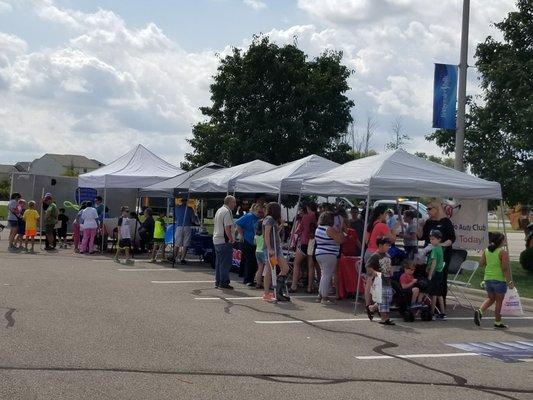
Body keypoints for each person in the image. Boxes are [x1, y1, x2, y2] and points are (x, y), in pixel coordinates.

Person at [419, 200, 456, 304]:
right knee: (428, 275)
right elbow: (421, 237)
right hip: (430, 254)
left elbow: (451, 239)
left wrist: (440, 245)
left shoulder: (446, 222)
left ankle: (440, 302)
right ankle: (428, 300)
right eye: (427, 209)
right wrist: (420, 226)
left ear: (437, 209)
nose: (428, 211)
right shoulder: (429, 222)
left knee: (440, 277)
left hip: (442, 254)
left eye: (429, 209)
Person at [474, 232, 514, 329]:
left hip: (487, 279)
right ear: (500, 241)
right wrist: (509, 282)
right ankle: (498, 322)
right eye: (504, 239)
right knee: (499, 301)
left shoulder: (487, 250)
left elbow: (481, 263)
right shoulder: (503, 253)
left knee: (491, 298)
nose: (505, 241)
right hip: (499, 280)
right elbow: (505, 269)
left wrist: (490, 261)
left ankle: (480, 311)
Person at [364, 205, 397, 308]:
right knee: (381, 280)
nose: (387, 216)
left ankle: (367, 304)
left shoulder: (370, 225)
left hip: (368, 252)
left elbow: (365, 241)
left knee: (370, 279)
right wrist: (395, 228)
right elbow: (392, 239)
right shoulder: (382, 225)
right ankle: (377, 305)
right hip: (378, 254)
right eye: (386, 213)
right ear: (381, 214)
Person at [314, 211, 345, 305]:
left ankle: (320, 295)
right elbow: (340, 240)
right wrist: (341, 232)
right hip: (329, 254)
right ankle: (324, 297)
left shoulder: (319, 228)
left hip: (320, 253)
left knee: (324, 274)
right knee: (327, 275)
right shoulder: (329, 229)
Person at [262, 202, 290, 302]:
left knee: (285, 268)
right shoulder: (269, 219)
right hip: (271, 250)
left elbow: (275, 232)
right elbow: (266, 234)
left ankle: (277, 289)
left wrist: (281, 225)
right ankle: (266, 293)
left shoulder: (272, 220)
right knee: (270, 269)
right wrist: (269, 248)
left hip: (276, 249)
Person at [366, 236, 395, 325]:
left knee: (387, 298)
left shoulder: (388, 256)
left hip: (387, 280)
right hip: (379, 281)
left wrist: (391, 271)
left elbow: (390, 266)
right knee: (382, 299)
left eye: (389, 245)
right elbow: (368, 267)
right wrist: (374, 272)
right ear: (380, 245)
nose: (388, 247)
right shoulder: (375, 255)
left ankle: (371, 308)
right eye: (386, 245)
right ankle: (384, 318)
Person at [290, 202, 318, 293]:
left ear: (307, 207)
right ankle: (310, 287)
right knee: (311, 266)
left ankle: (294, 286)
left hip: (304, 242)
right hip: (314, 242)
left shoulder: (306, 216)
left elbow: (298, 230)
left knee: (296, 263)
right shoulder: (318, 216)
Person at [235, 203, 264, 286]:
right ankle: (248, 279)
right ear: (254, 210)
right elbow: (238, 224)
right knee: (250, 260)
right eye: (259, 212)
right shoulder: (249, 216)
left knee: (254, 261)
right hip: (248, 241)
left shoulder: (260, 218)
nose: (260, 214)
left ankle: (252, 279)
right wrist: (242, 235)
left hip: (257, 242)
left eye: (262, 212)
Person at [213, 195, 236, 290]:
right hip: (224, 240)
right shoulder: (227, 212)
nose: (235, 204)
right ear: (229, 202)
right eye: (234, 202)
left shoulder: (219, 210)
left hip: (217, 239)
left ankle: (218, 281)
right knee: (226, 263)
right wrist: (231, 238)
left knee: (219, 263)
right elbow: (227, 227)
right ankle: (224, 282)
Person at [427, 230, 446, 320]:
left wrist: (430, 274)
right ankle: (442, 312)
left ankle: (432, 312)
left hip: (435, 273)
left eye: (433, 239)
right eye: (430, 239)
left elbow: (434, 263)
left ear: (439, 239)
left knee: (434, 294)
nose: (431, 241)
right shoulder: (440, 248)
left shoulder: (434, 249)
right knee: (439, 294)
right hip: (440, 272)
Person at [173, 199, 196, 264]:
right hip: (187, 226)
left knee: (177, 243)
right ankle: (182, 259)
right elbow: (193, 219)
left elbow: (175, 217)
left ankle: (174, 257)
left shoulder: (177, 208)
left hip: (179, 226)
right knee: (186, 243)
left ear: (181, 202)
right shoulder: (189, 209)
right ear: (186, 202)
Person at [254, 219, 265, 289]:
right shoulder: (265, 235)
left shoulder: (256, 235)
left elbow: (254, 243)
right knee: (269, 267)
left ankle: (258, 283)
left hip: (257, 251)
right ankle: (268, 283)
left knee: (260, 268)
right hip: (264, 252)